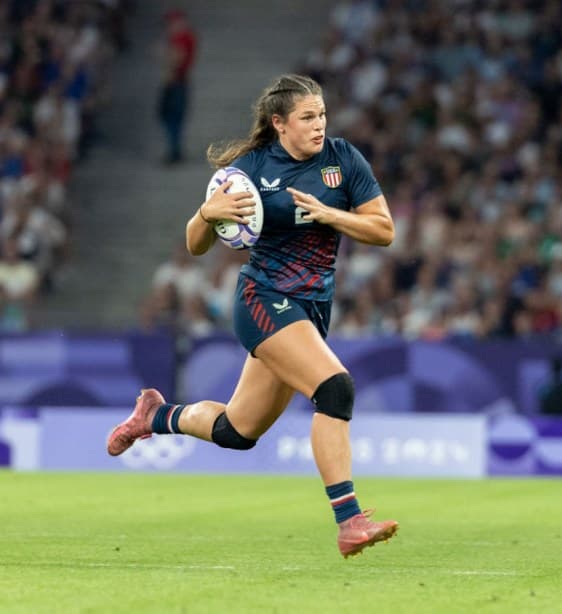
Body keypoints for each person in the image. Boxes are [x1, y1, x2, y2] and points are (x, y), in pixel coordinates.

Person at [108, 74, 398, 558]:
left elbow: (383, 229)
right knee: (334, 388)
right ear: (279, 123)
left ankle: (156, 416)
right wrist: (206, 213)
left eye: (322, 114)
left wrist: (332, 216)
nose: (319, 124)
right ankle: (350, 522)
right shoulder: (250, 171)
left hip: (310, 308)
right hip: (263, 300)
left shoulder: (344, 159)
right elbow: (194, 244)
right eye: (308, 117)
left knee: (237, 431)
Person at [156, 9, 197, 164]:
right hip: (179, 81)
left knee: (172, 117)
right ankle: (175, 149)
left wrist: (164, 54)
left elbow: (177, 59)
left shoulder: (181, 38)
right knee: (172, 118)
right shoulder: (185, 37)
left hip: (176, 82)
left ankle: (174, 150)